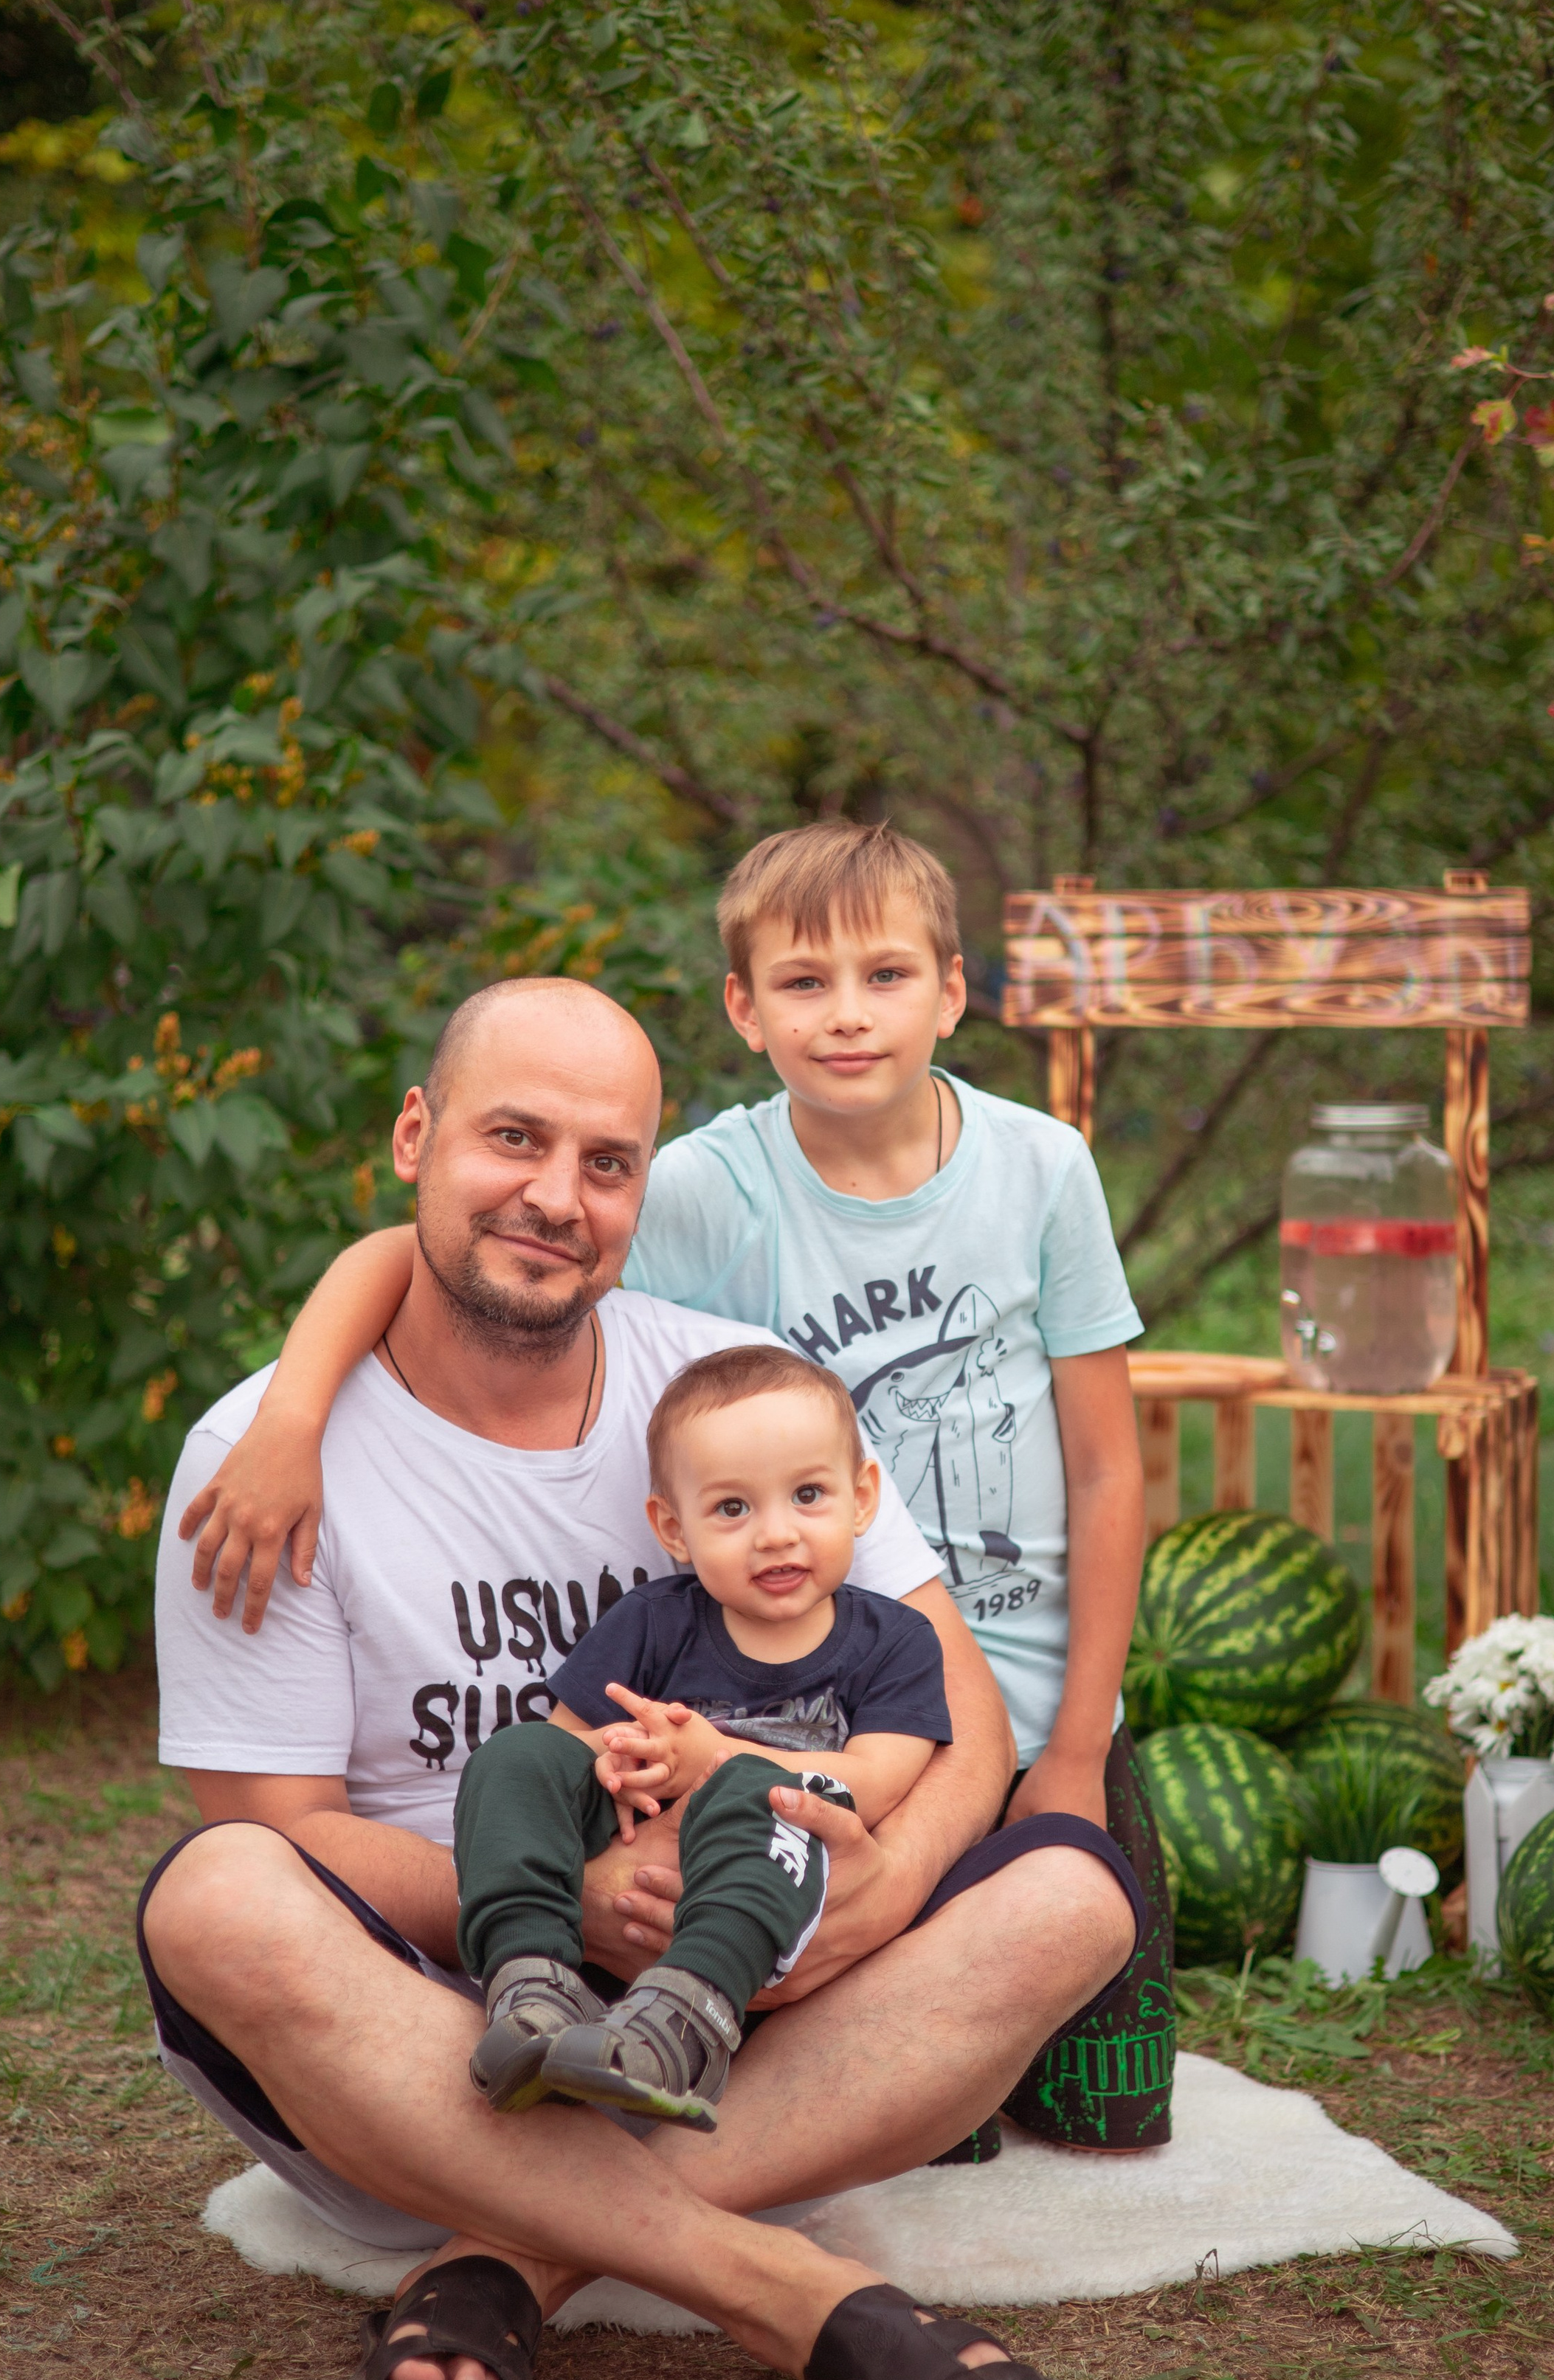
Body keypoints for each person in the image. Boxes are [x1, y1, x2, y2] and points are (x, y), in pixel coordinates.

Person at [145, 973, 1142, 2380]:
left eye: (606, 1162)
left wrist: (877, 1895)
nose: (556, 1196)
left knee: (1073, 1893)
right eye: (511, 1140)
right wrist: (566, 1897)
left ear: (640, 1190)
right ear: (415, 1136)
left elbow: (965, 1710)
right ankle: (798, 2301)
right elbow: (283, 1826)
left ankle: (507, 2267)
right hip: (430, 2046)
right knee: (213, 1895)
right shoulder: (261, 1459)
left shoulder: (724, 1395)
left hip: (735, 2018)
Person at [197, 823, 1173, 2154]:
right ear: (745, 1009)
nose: (847, 1017)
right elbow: (456, 1243)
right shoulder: (706, 1195)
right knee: (268, 1889)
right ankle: (710, 2125)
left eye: (887, 977)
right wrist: (292, 1412)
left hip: (971, 1712)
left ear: (953, 990)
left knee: (1084, 1987)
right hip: (723, 1749)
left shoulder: (1014, 1187)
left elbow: (1098, 1485)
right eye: (804, 982)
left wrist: (1021, 1788)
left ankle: (576, 2219)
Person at [456, 1343, 951, 2131]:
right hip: (635, 1860)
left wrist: (708, 1760)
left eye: (809, 1495)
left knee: (760, 1790)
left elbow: (874, 1779)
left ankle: (689, 2020)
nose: (776, 1535)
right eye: (732, 1508)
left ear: (862, 1500)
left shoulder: (894, 1640)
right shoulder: (653, 1621)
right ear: (673, 1528)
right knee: (514, 1758)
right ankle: (530, 1980)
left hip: (770, 1886)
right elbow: (569, 1748)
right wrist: (628, 1763)